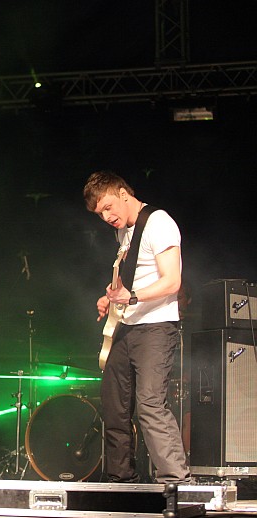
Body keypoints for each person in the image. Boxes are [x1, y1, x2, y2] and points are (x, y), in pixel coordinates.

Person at [83, 170, 190, 484]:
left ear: (123, 193)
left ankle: (176, 480)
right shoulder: (124, 232)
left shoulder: (159, 223)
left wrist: (131, 297)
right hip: (126, 326)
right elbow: (133, 277)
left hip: (155, 327)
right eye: (100, 213)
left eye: (108, 207)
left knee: (150, 403)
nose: (106, 217)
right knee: (114, 404)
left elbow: (172, 281)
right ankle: (120, 477)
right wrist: (110, 297)